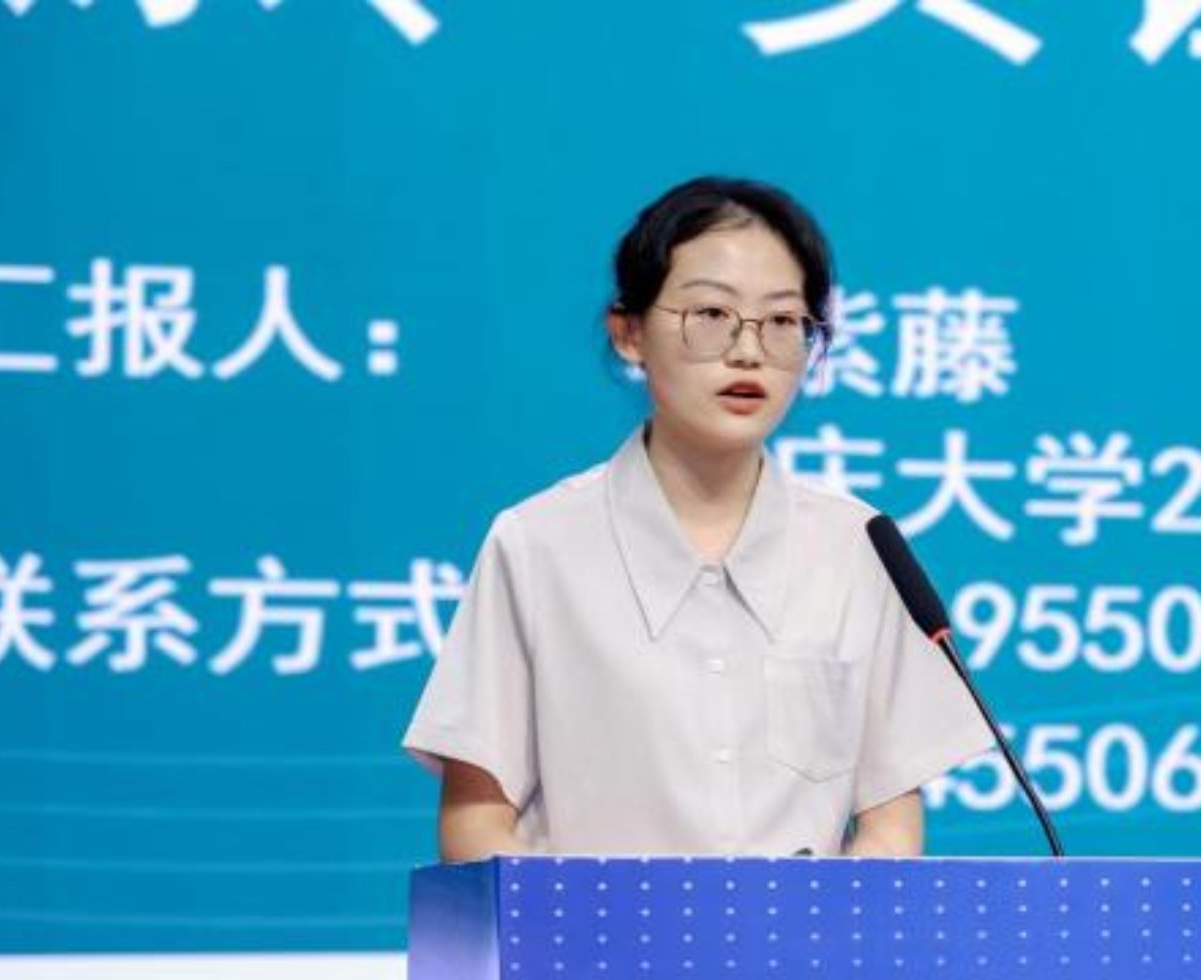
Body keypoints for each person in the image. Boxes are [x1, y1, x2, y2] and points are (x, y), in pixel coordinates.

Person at [402, 175, 992, 859]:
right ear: (629, 333)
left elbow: (890, 824)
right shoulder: (538, 545)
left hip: (800, 934)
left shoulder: (857, 546)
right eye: (711, 313)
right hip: (589, 931)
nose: (748, 350)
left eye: (782, 321)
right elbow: (476, 823)